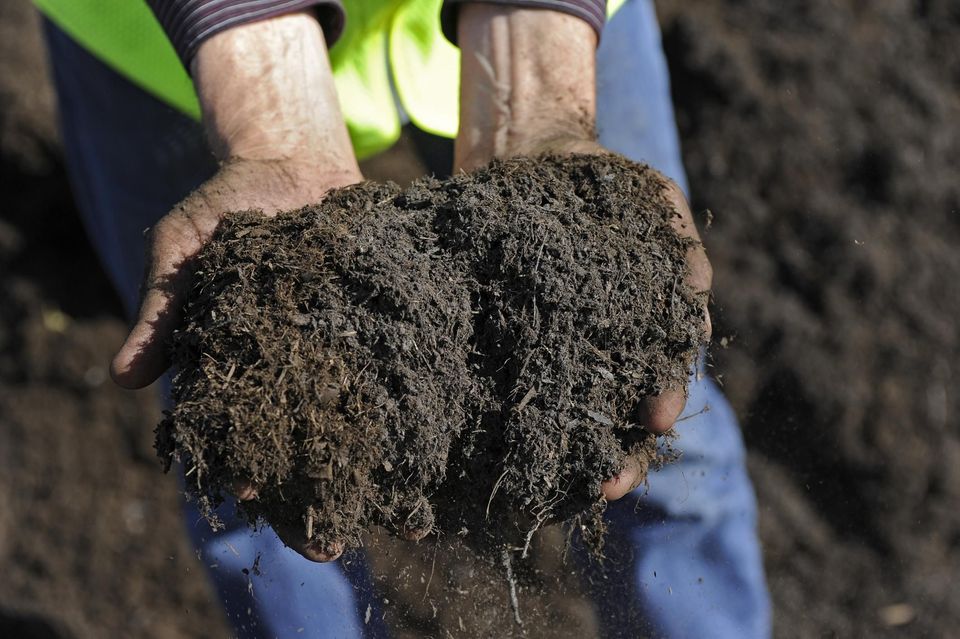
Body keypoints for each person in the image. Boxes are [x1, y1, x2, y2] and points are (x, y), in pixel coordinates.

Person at [39, 0, 771, 636]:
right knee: (253, 451)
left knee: (652, 414)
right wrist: (265, 114)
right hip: (174, 45)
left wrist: (538, 65)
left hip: (560, 28)